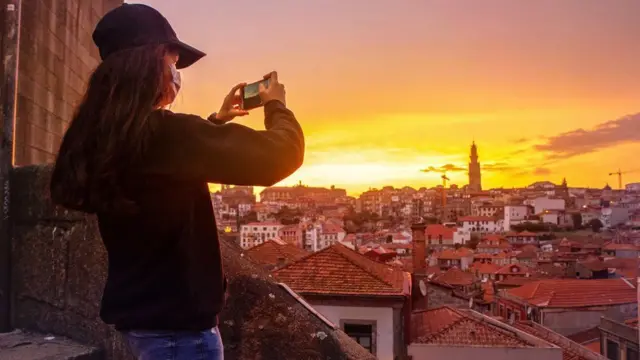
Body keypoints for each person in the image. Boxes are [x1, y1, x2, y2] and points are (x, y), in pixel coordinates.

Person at [49, 3, 304, 360]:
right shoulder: (166, 136)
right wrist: (278, 106)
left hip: (143, 323)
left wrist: (215, 122)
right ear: (148, 65)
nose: (175, 74)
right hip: (180, 336)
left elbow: (162, 171)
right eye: (171, 62)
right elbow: (281, 155)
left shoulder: (102, 138)